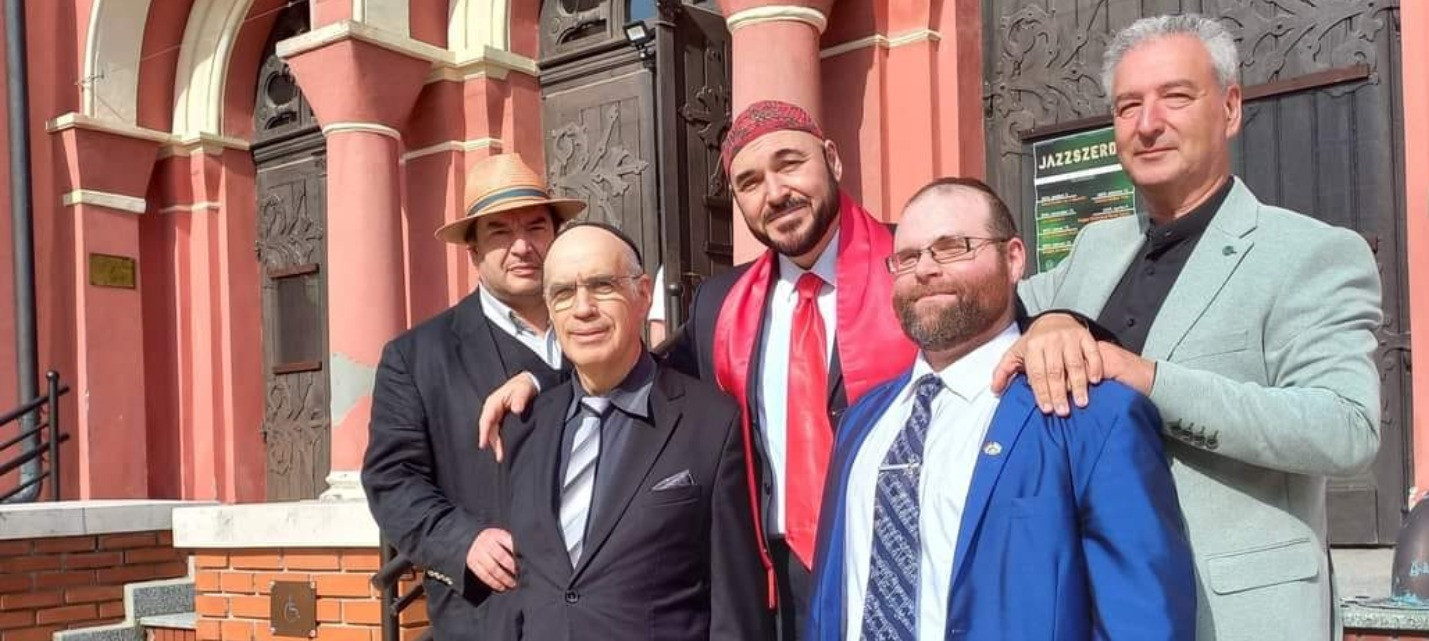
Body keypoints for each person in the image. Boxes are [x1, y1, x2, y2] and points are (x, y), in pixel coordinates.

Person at [999, 14, 1381, 640]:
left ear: (1229, 109)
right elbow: (997, 313)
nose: (1148, 123)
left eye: (1175, 97)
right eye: (1128, 106)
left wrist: (1150, 379)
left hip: (1229, 616)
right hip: (1091, 607)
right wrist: (1051, 319)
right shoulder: (1094, 248)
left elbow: (1346, 429)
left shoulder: (1309, 253)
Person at [478, 100, 918, 640]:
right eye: (750, 182)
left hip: (898, 561)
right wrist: (542, 378)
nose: (775, 192)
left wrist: (1028, 339)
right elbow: (631, 361)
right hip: (779, 581)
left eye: (790, 164)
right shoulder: (723, 303)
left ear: (832, 159)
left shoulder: (916, 266)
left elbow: (987, 334)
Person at [805, 178, 1195, 641]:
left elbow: (1142, 619)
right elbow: (832, 597)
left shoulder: (1091, 413)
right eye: (907, 257)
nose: (925, 269)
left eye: (952, 247)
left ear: (1013, 259)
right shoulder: (861, 423)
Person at [499, 222, 767, 641]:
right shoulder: (527, 423)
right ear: (549, 309)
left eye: (602, 285)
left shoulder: (712, 423)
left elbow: (735, 608)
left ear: (643, 295)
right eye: (564, 292)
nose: (583, 308)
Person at [361, 153, 583, 640]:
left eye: (536, 227)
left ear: (556, 235)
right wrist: (462, 540)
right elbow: (392, 479)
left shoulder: (595, 329)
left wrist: (541, 381)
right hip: (490, 614)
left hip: (599, 611)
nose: (522, 246)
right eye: (500, 232)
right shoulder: (417, 357)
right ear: (473, 252)